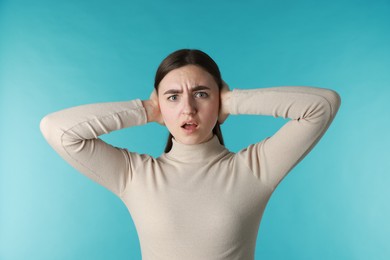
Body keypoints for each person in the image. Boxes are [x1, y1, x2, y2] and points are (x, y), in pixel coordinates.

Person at [40, 49, 341, 260]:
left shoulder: (254, 169)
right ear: (160, 104)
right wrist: (146, 110)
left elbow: (323, 105)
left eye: (201, 94)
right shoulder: (134, 174)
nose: (188, 109)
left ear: (218, 100)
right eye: (173, 97)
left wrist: (233, 101)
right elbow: (57, 129)